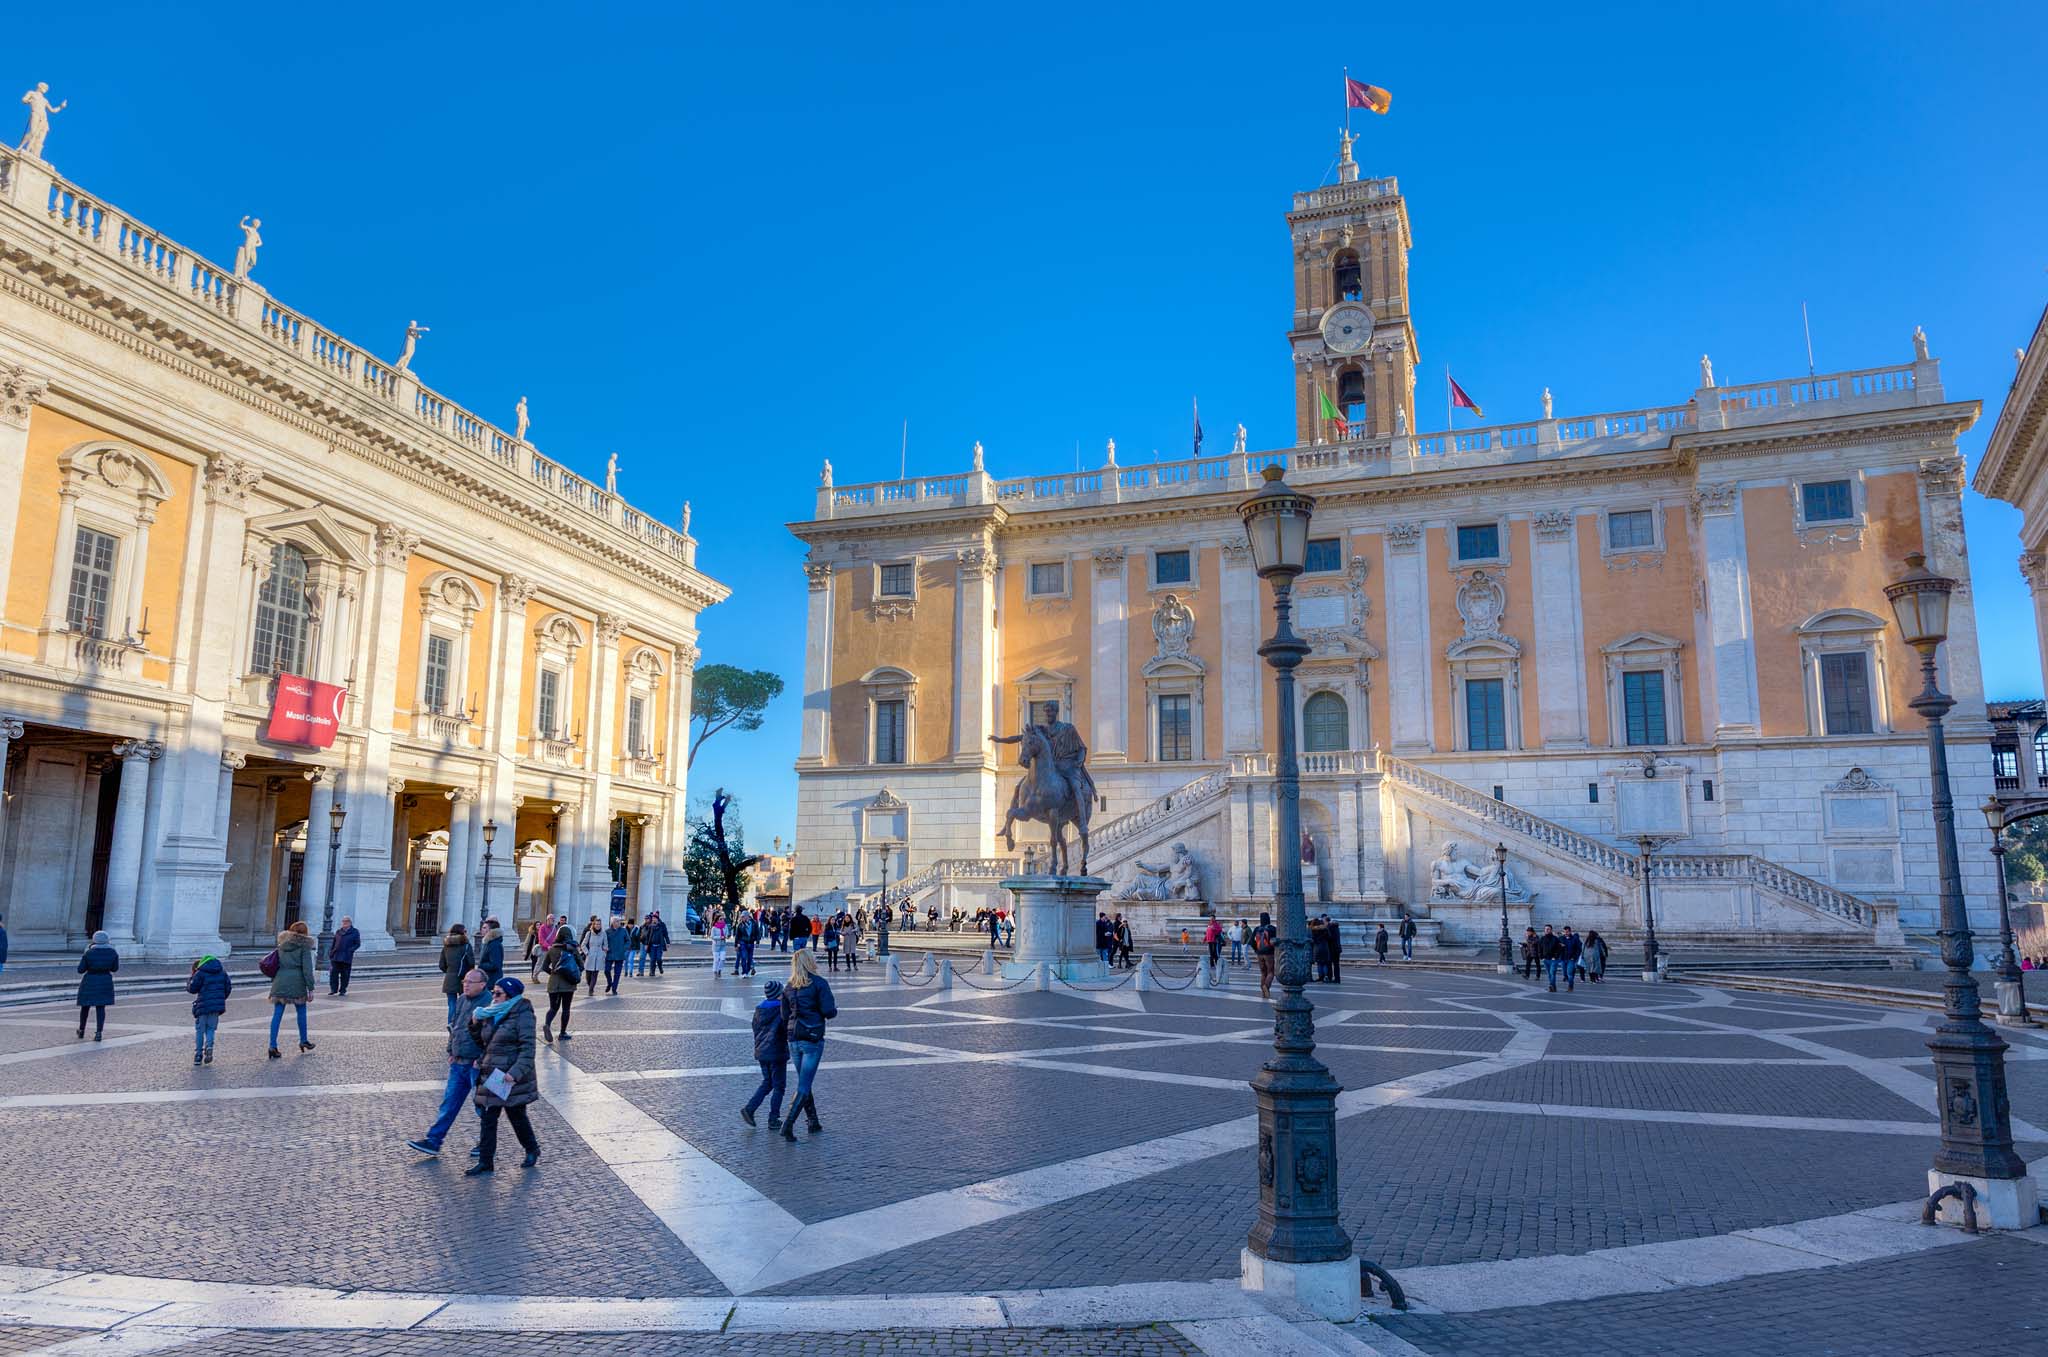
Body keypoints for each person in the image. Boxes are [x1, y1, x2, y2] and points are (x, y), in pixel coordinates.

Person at [466, 976, 540, 1175]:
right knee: (488, 1117)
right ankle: (485, 1161)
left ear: (510, 996)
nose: (494, 996)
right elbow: (483, 1042)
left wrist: (514, 1073)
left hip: (509, 1075)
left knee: (517, 1116)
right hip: (492, 1073)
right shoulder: (491, 1012)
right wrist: (474, 1024)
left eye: (498, 993)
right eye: (493, 992)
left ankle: (532, 1149)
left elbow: (528, 1049)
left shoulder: (523, 1014)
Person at [408, 968, 486, 1157]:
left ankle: (486, 1143)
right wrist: (451, 1050)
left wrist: (482, 1059)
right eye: (465, 981)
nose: (465, 984)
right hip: (459, 1062)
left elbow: (493, 1036)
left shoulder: (489, 1003)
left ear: (482, 985)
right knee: (449, 1103)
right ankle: (434, 1141)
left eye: (470, 982)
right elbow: (455, 1026)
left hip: (477, 1065)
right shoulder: (461, 1000)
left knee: (482, 1107)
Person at [779, 949, 836, 1141]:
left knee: (805, 1080)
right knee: (804, 1084)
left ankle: (813, 1121)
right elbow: (829, 1011)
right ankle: (788, 1125)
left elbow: (784, 1016)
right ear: (810, 962)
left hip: (793, 1038)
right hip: (811, 1037)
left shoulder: (789, 986)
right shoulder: (819, 983)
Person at [741, 978, 789, 1129]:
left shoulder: (759, 1009)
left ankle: (750, 1109)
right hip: (776, 1052)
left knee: (768, 1082)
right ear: (778, 994)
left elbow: (755, 1028)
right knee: (779, 1086)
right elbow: (785, 1028)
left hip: (762, 1052)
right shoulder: (780, 1009)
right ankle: (773, 1118)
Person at [268, 919, 317, 1058]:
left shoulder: (282, 944)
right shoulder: (304, 946)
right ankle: (303, 1040)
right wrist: (311, 988)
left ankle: (272, 1046)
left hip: (280, 980)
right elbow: (307, 969)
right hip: (297, 981)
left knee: (277, 1014)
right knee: (301, 1012)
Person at [187, 953, 232, 1066]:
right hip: (216, 1007)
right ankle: (209, 1047)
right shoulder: (222, 972)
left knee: (200, 1030)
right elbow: (228, 987)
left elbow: (192, 989)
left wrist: (190, 980)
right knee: (211, 1029)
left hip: (202, 1006)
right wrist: (220, 998)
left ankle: (198, 1055)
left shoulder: (200, 973)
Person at [541, 925, 582, 1044]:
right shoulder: (572, 949)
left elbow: (544, 967)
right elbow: (581, 965)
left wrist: (553, 973)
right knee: (566, 1009)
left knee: (553, 1008)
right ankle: (562, 1033)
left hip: (553, 983)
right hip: (568, 984)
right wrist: (573, 973)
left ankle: (547, 1024)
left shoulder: (552, 949)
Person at [75, 930, 119, 1041]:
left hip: (90, 980)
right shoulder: (113, 953)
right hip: (105, 981)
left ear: (94, 940)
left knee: (85, 1007)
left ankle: (81, 1030)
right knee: (101, 1008)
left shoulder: (89, 953)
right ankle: (99, 1033)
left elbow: (80, 970)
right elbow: (115, 968)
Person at [439, 924, 475, 1023]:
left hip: (449, 978)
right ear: (462, 932)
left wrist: (450, 971)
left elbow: (441, 965)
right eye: (465, 931)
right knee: (465, 1003)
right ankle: (462, 1024)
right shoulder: (466, 946)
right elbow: (471, 962)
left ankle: (451, 1024)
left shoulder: (446, 946)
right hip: (463, 978)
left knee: (452, 1004)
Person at [328, 916, 362, 995]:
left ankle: (343, 990)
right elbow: (334, 942)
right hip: (336, 956)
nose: (344, 923)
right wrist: (331, 952)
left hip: (346, 956)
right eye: (343, 921)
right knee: (333, 974)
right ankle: (333, 989)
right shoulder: (338, 931)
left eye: (346, 921)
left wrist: (350, 950)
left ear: (350, 922)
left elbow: (357, 944)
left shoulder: (355, 932)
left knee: (345, 974)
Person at [1251, 912, 1278, 1001]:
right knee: (1271, 972)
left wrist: (1256, 950)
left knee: (1263, 973)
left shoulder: (1257, 929)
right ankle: (1266, 987)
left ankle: (1263, 992)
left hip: (1259, 953)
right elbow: (1276, 940)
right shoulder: (1272, 929)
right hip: (1269, 953)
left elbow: (1251, 941)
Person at [603, 914, 630, 993]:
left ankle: (614, 989)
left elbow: (628, 941)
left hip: (620, 954)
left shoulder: (623, 930)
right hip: (610, 954)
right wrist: (605, 947)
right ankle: (609, 983)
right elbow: (604, 942)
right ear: (612, 923)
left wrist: (624, 948)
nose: (618, 923)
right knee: (606, 970)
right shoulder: (607, 931)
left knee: (617, 973)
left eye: (619, 921)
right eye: (616, 921)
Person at [477, 918, 505, 990]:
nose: (481, 930)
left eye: (484, 928)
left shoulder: (494, 944)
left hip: (492, 979)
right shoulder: (488, 943)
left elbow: (495, 964)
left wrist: (481, 965)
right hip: (487, 978)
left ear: (491, 930)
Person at [579, 916, 604, 997]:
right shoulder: (589, 933)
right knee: (588, 975)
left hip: (599, 956)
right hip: (590, 956)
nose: (598, 925)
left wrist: (603, 954)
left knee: (595, 974)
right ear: (593, 924)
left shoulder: (603, 934)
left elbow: (606, 945)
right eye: (596, 924)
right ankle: (590, 985)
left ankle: (591, 989)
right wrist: (587, 952)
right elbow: (583, 944)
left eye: (599, 924)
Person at [1539, 925, 1566, 993]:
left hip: (1553, 959)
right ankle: (1553, 986)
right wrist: (1541, 957)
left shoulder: (1555, 938)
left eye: (1548, 929)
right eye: (1545, 929)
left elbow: (1559, 948)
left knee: (1552, 973)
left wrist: (1555, 957)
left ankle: (1551, 985)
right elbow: (1539, 948)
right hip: (1545, 959)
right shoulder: (1542, 938)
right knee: (1549, 974)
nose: (1546, 930)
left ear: (1551, 930)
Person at [647, 911, 671, 975]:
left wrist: (668, 942)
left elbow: (666, 934)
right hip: (652, 945)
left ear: (657, 919)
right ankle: (652, 972)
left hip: (659, 945)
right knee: (652, 959)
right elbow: (648, 936)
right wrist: (646, 944)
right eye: (652, 919)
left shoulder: (662, 925)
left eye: (654, 918)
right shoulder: (650, 926)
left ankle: (660, 967)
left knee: (658, 958)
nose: (653, 920)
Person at [1561, 925, 1582, 991]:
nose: (1566, 933)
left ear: (1570, 932)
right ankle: (1567, 978)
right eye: (1564, 932)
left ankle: (1570, 986)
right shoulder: (1561, 938)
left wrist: (1574, 957)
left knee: (1569, 973)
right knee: (1565, 973)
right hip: (1563, 958)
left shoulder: (1575, 939)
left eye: (1567, 932)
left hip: (1571, 959)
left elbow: (1579, 949)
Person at [711, 911, 730, 978]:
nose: (722, 920)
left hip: (723, 945)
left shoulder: (725, 926)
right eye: (720, 919)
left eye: (723, 919)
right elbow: (712, 937)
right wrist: (720, 937)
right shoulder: (714, 928)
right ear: (717, 920)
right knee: (716, 960)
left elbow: (727, 933)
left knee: (722, 959)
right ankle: (715, 971)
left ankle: (719, 969)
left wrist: (727, 936)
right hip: (716, 945)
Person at [1326, 916, 1345, 983]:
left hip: (1332, 949)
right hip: (1337, 949)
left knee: (1329, 964)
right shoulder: (1337, 929)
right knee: (1336, 964)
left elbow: (1330, 938)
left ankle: (1330, 977)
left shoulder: (1331, 928)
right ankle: (1337, 978)